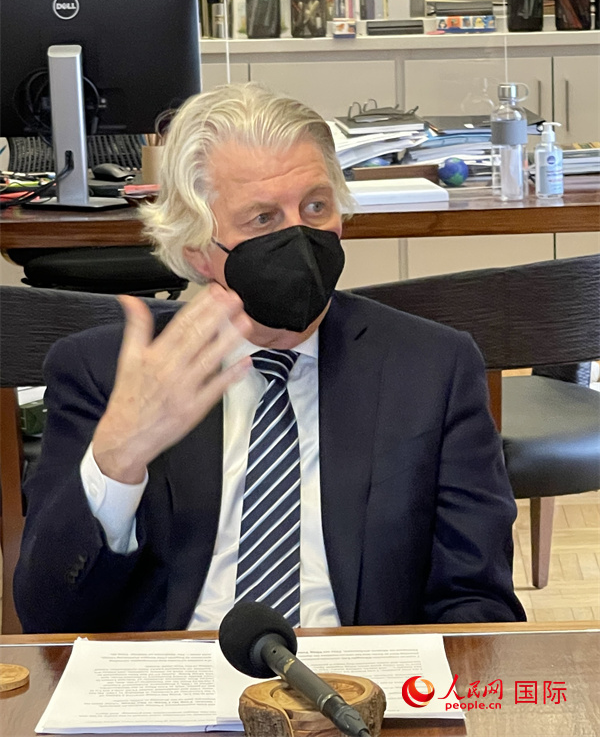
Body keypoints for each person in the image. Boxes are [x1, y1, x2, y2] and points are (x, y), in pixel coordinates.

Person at [15, 83, 525, 632]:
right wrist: (119, 457)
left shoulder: (433, 368)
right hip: (175, 672)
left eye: (315, 207)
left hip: (359, 674)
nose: (299, 239)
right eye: (263, 219)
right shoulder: (105, 373)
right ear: (198, 251)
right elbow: (47, 615)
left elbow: (478, 604)